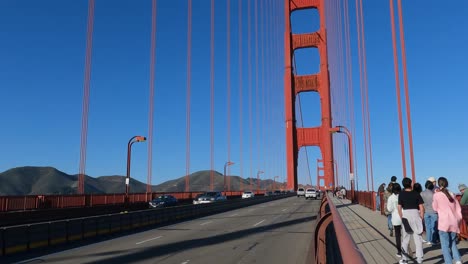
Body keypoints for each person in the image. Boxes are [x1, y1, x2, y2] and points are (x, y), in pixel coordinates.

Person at [432, 177, 463, 264]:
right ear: (447, 184)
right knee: (452, 242)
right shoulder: (452, 194)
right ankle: (457, 260)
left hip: (443, 222)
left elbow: (434, 208)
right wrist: (458, 220)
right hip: (454, 221)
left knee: (445, 245)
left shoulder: (436, 195)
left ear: (439, 184)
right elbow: (458, 209)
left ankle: (448, 262)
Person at [398, 177, 424, 264]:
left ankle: (404, 259)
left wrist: (402, 217)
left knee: (405, 239)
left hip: (405, 215)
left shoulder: (401, 194)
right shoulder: (416, 193)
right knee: (418, 239)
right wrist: (421, 217)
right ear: (411, 183)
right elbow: (421, 207)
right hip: (415, 214)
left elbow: (399, 207)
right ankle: (419, 259)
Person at [420, 180, 438, 246]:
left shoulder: (421, 193)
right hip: (434, 211)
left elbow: (421, 203)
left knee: (427, 226)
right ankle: (433, 240)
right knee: (434, 227)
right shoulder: (434, 194)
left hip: (426, 211)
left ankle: (428, 240)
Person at [387, 183, 402, 258]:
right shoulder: (403, 196)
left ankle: (399, 252)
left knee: (398, 235)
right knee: (406, 235)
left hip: (396, 218)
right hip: (404, 217)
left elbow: (389, 209)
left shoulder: (391, 198)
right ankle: (406, 248)